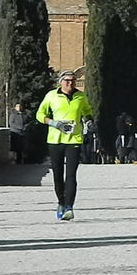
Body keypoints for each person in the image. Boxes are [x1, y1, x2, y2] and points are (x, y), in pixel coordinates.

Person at [36, 71, 93, 221]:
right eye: (67, 80)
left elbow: (87, 111)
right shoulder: (51, 96)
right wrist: (52, 122)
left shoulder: (81, 96)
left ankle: (69, 207)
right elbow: (39, 114)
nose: (70, 83)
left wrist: (88, 120)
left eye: (73, 80)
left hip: (74, 139)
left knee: (71, 175)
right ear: (60, 82)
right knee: (57, 175)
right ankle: (61, 202)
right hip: (55, 140)